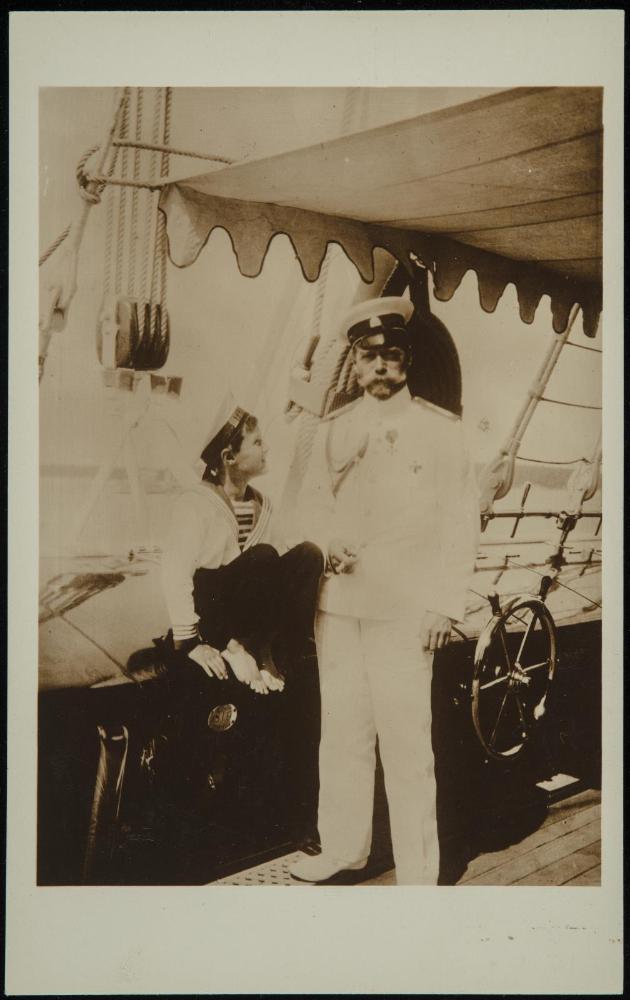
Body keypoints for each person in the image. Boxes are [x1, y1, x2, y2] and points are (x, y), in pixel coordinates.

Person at [290, 296, 479, 885]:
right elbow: (309, 508)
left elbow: (460, 519)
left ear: (407, 361)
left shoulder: (440, 432)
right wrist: (327, 541)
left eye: (390, 356)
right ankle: (344, 849)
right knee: (342, 734)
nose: (378, 367)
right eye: (368, 356)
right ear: (355, 359)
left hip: (403, 609)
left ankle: (419, 874)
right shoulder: (332, 430)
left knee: (405, 741)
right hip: (340, 603)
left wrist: (445, 603)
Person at [160, 394, 324, 695]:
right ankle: (236, 647)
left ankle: (274, 651)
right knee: (263, 556)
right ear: (228, 458)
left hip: (247, 610)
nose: (267, 448)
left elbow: (282, 565)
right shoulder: (195, 505)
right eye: (258, 443)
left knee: (309, 554)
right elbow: (174, 571)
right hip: (213, 611)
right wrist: (191, 643)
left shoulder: (262, 504)